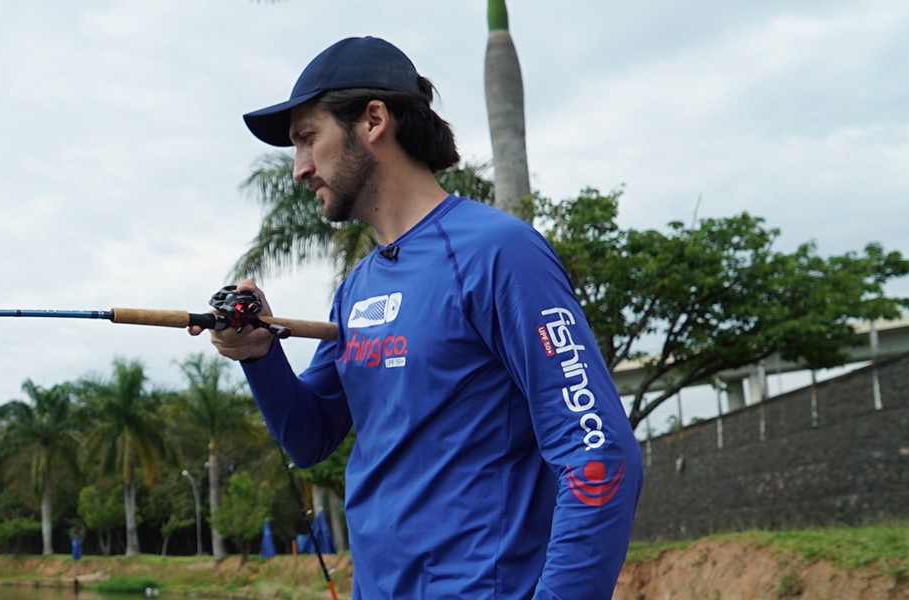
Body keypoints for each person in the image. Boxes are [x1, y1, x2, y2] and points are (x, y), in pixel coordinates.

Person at [202, 37, 642, 599]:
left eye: (308, 139)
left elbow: (598, 450)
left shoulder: (499, 253)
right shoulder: (356, 289)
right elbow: (311, 437)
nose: (299, 169)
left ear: (373, 121)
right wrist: (261, 357)